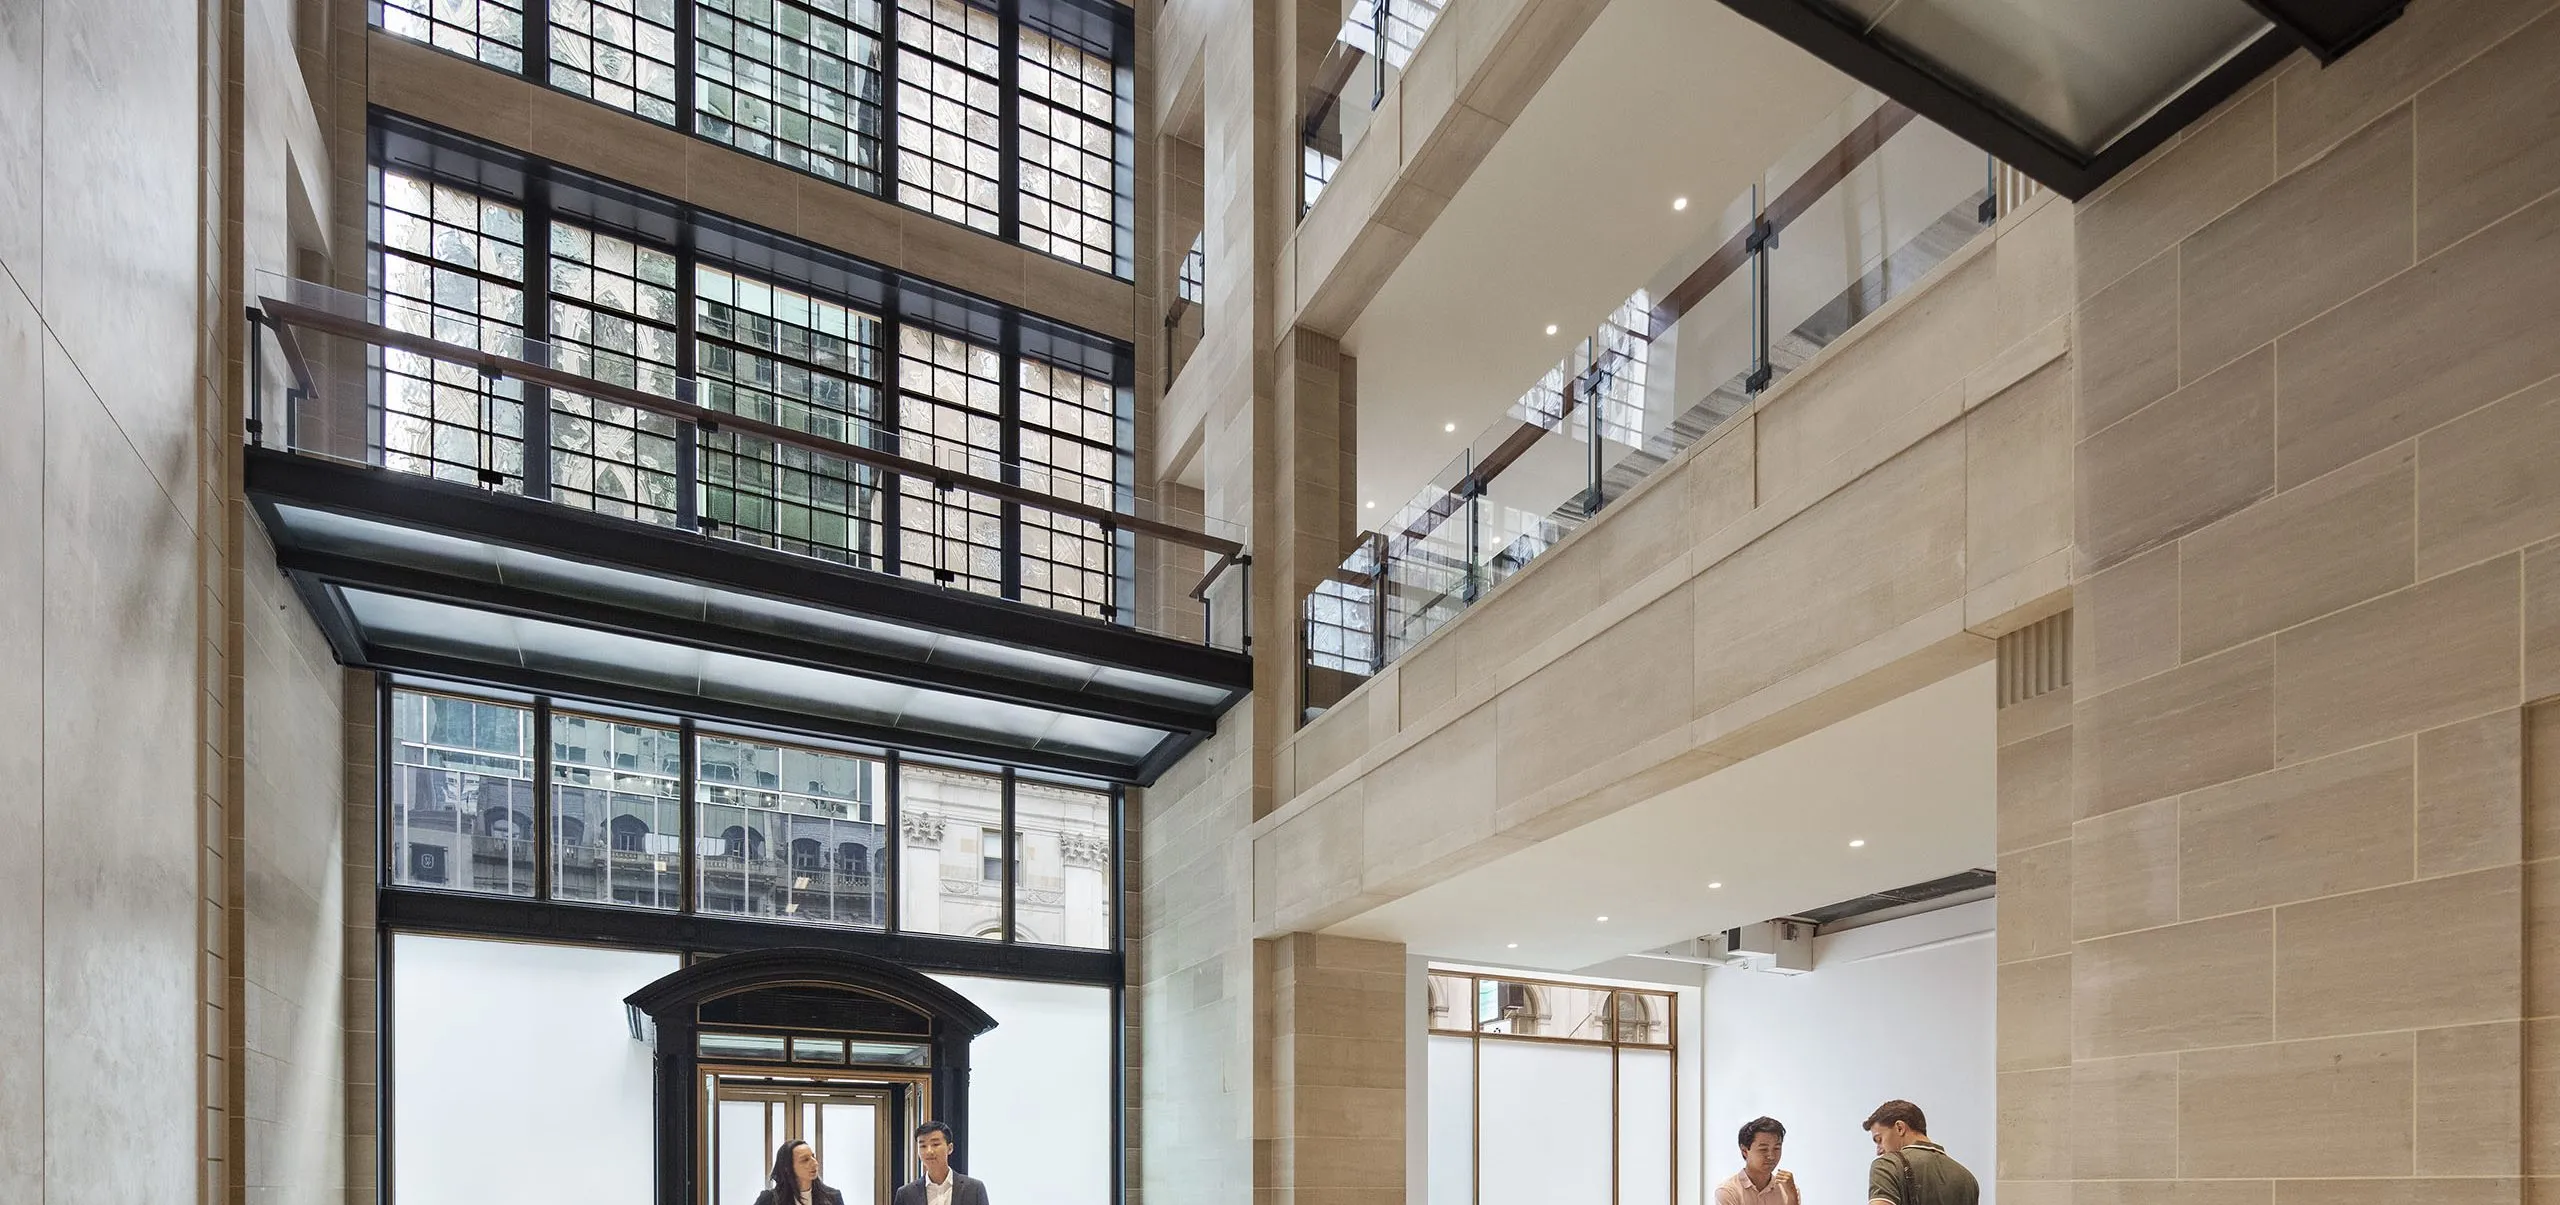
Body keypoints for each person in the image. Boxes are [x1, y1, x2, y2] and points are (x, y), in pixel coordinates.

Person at [1863, 1101, 1978, 1205]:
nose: (1879, 1151)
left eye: (1879, 1140)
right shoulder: (1968, 1179)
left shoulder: (1888, 1165)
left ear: (1899, 1128)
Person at [892, 1122, 990, 1205]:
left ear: (950, 1148)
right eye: (923, 1146)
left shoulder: (974, 1189)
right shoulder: (905, 1194)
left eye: (935, 1144)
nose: (929, 1151)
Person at [1715, 1117, 1798, 1205]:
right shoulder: (1728, 1191)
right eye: (1763, 1149)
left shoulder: (1788, 1189)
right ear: (1745, 1151)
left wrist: (1792, 1197)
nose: (1771, 1156)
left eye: (1777, 1148)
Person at [754, 1140, 844, 1205]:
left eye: (813, 1157)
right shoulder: (768, 1200)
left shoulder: (833, 1197)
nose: (814, 1163)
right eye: (805, 1160)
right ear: (787, 1168)